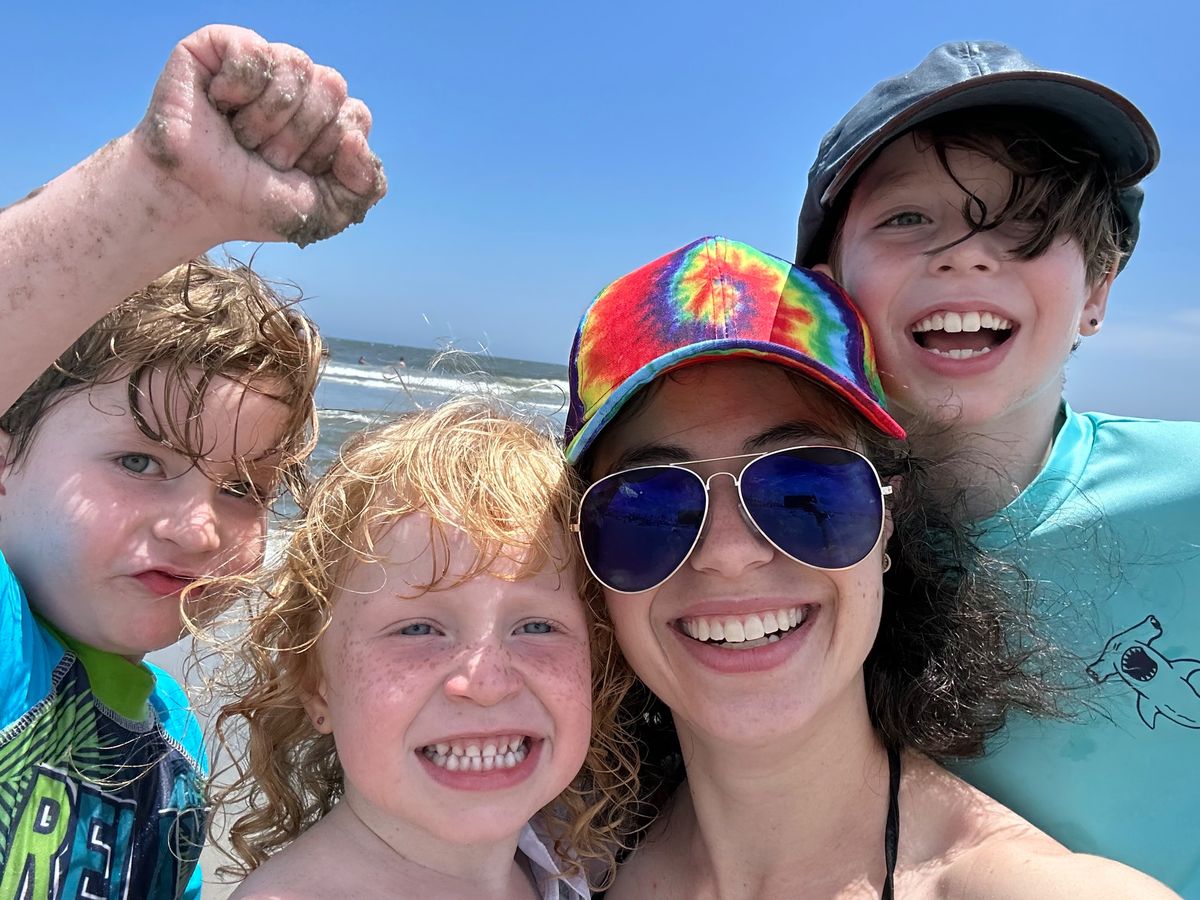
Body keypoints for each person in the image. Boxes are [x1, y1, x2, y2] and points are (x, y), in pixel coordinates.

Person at [562, 235, 1174, 898]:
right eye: (648, 507)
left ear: (887, 521)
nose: (729, 554)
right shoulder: (554, 859)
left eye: (806, 492)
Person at [793, 42, 1200, 893]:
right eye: (909, 217)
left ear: (1098, 290)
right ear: (827, 294)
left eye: (1029, 222)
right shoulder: (762, 526)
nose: (969, 255)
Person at [0, 25, 385, 897]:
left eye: (245, 488)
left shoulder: (173, 738)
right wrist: (153, 194)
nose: (199, 528)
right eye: (139, 462)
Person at [209, 398, 637, 900]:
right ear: (314, 684)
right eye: (417, 630)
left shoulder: (555, 863)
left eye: (538, 626)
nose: (486, 684)